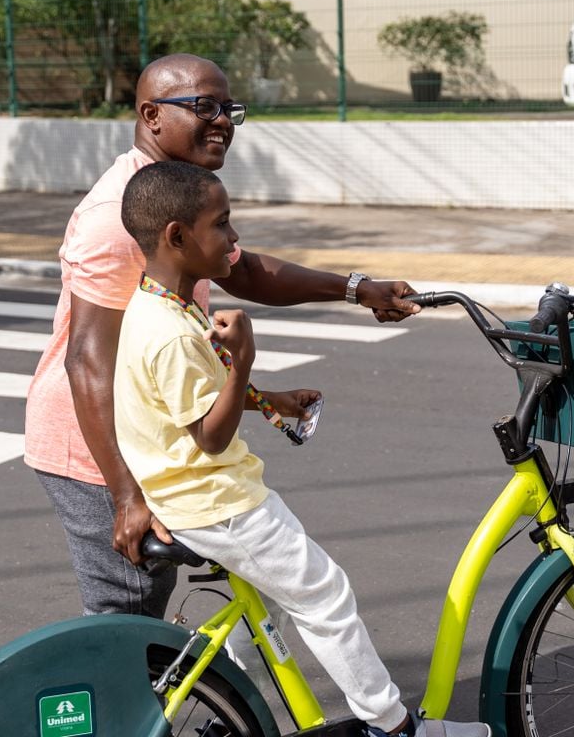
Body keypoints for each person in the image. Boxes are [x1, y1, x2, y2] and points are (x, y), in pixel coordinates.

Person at [25, 53, 420, 619]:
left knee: (214, 608)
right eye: (204, 106)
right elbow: (88, 363)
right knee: (127, 624)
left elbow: (244, 271)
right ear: (151, 114)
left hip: (153, 436)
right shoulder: (119, 218)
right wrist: (126, 496)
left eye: (229, 108)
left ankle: (215, 706)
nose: (224, 121)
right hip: (100, 451)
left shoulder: (171, 193)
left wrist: (358, 289)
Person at [114, 160, 486, 737]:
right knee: (325, 594)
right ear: (178, 237)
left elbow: (192, 400)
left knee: (257, 616)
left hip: (188, 497)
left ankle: (231, 714)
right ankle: (393, 725)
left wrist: (269, 398)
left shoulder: (163, 306)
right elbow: (210, 437)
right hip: (220, 502)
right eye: (223, 224)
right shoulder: (169, 334)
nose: (234, 238)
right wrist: (246, 361)